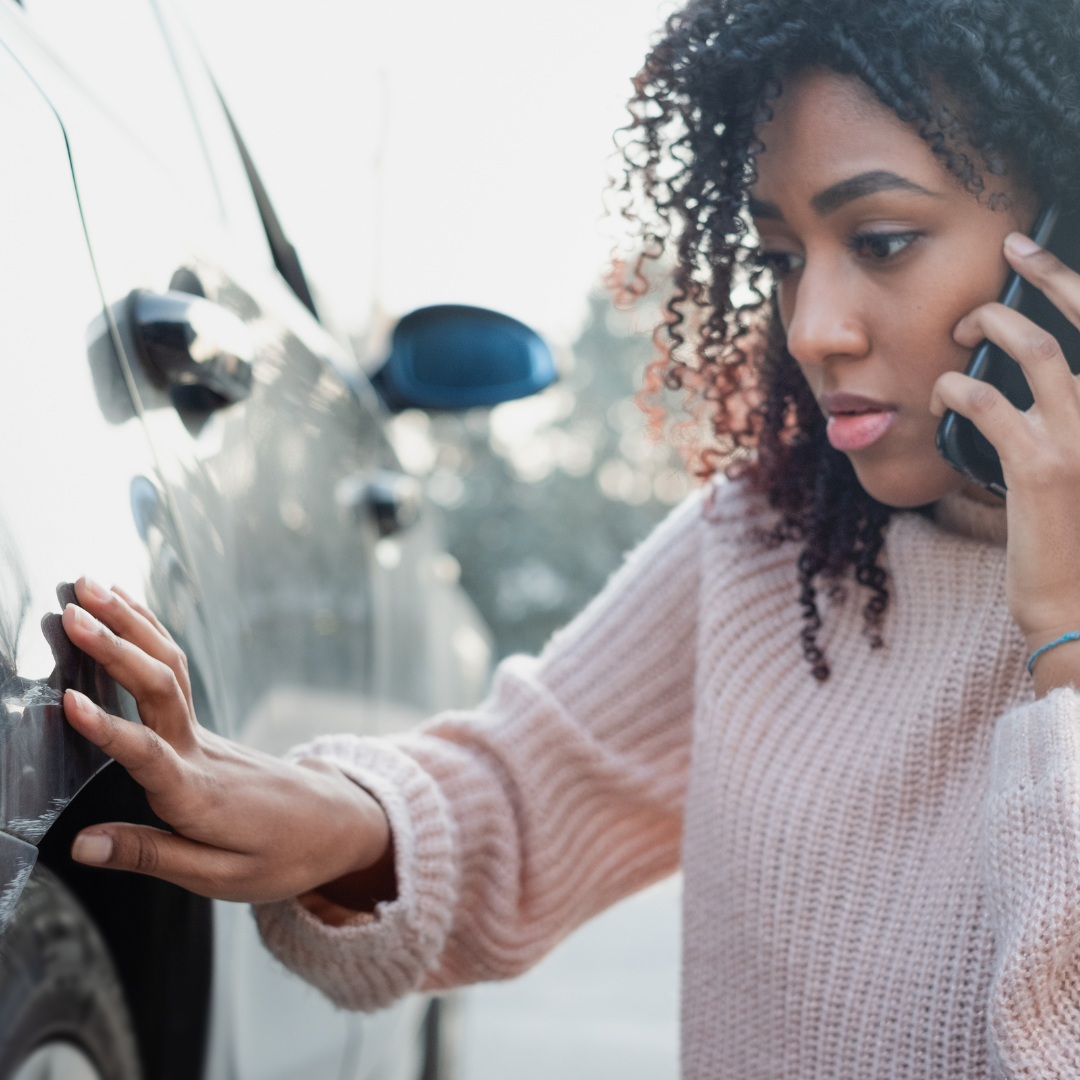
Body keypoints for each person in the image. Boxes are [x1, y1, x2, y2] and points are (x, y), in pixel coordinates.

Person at [54, 0, 1080, 1074]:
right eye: (781, 257)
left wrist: (1061, 642)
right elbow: (521, 788)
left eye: (881, 241)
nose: (816, 327)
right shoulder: (769, 546)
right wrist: (321, 815)